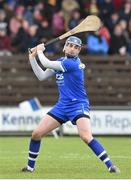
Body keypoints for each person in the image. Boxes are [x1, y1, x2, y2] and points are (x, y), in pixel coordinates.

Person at [21, 36, 120, 174]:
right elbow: (41, 76)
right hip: (62, 106)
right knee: (36, 134)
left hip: (78, 105)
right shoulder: (61, 61)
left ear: (79, 51)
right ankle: (30, 168)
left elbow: (47, 63)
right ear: (64, 47)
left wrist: (39, 51)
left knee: (85, 136)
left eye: (76, 47)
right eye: (70, 45)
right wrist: (32, 58)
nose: (72, 49)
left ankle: (111, 166)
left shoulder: (72, 64)